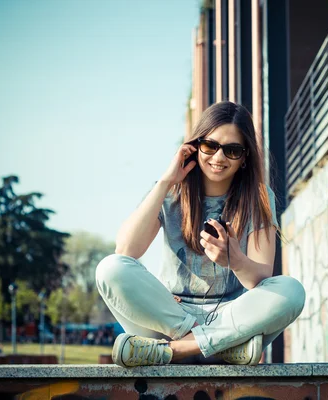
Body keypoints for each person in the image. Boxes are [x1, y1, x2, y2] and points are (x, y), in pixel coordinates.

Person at [96, 101, 305, 367]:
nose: (218, 158)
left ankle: (176, 351)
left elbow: (262, 279)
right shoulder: (171, 192)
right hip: (169, 318)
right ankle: (218, 348)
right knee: (109, 268)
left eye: (232, 150)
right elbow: (126, 250)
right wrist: (165, 181)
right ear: (196, 146)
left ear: (244, 158)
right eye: (210, 146)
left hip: (231, 317)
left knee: (291, 290)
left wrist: (234, 260)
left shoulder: (260, 197)